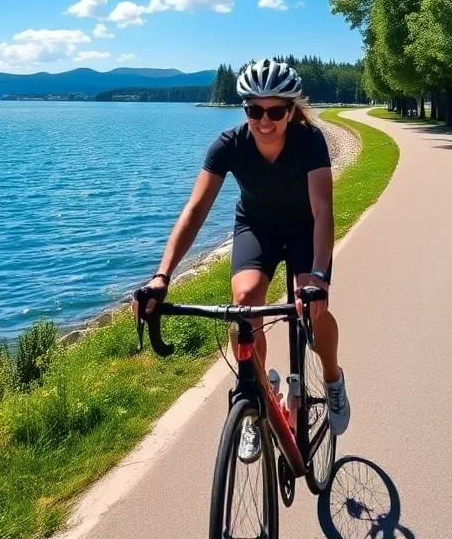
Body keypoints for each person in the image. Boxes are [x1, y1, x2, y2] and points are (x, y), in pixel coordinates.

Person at [133, 57, 350, 461]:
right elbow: (195, 210)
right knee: (244, 302)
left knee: (313, 309)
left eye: (275, 111)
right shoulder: (228, 145)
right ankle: (255, 400)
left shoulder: (310, 141)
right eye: (254, 110)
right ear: (244, 108)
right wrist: (162, 275)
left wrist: (318, 277)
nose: (264, 121)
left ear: (291, 111)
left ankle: (334, 381)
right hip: (257, 227)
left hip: (305, 228)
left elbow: (323, 209)